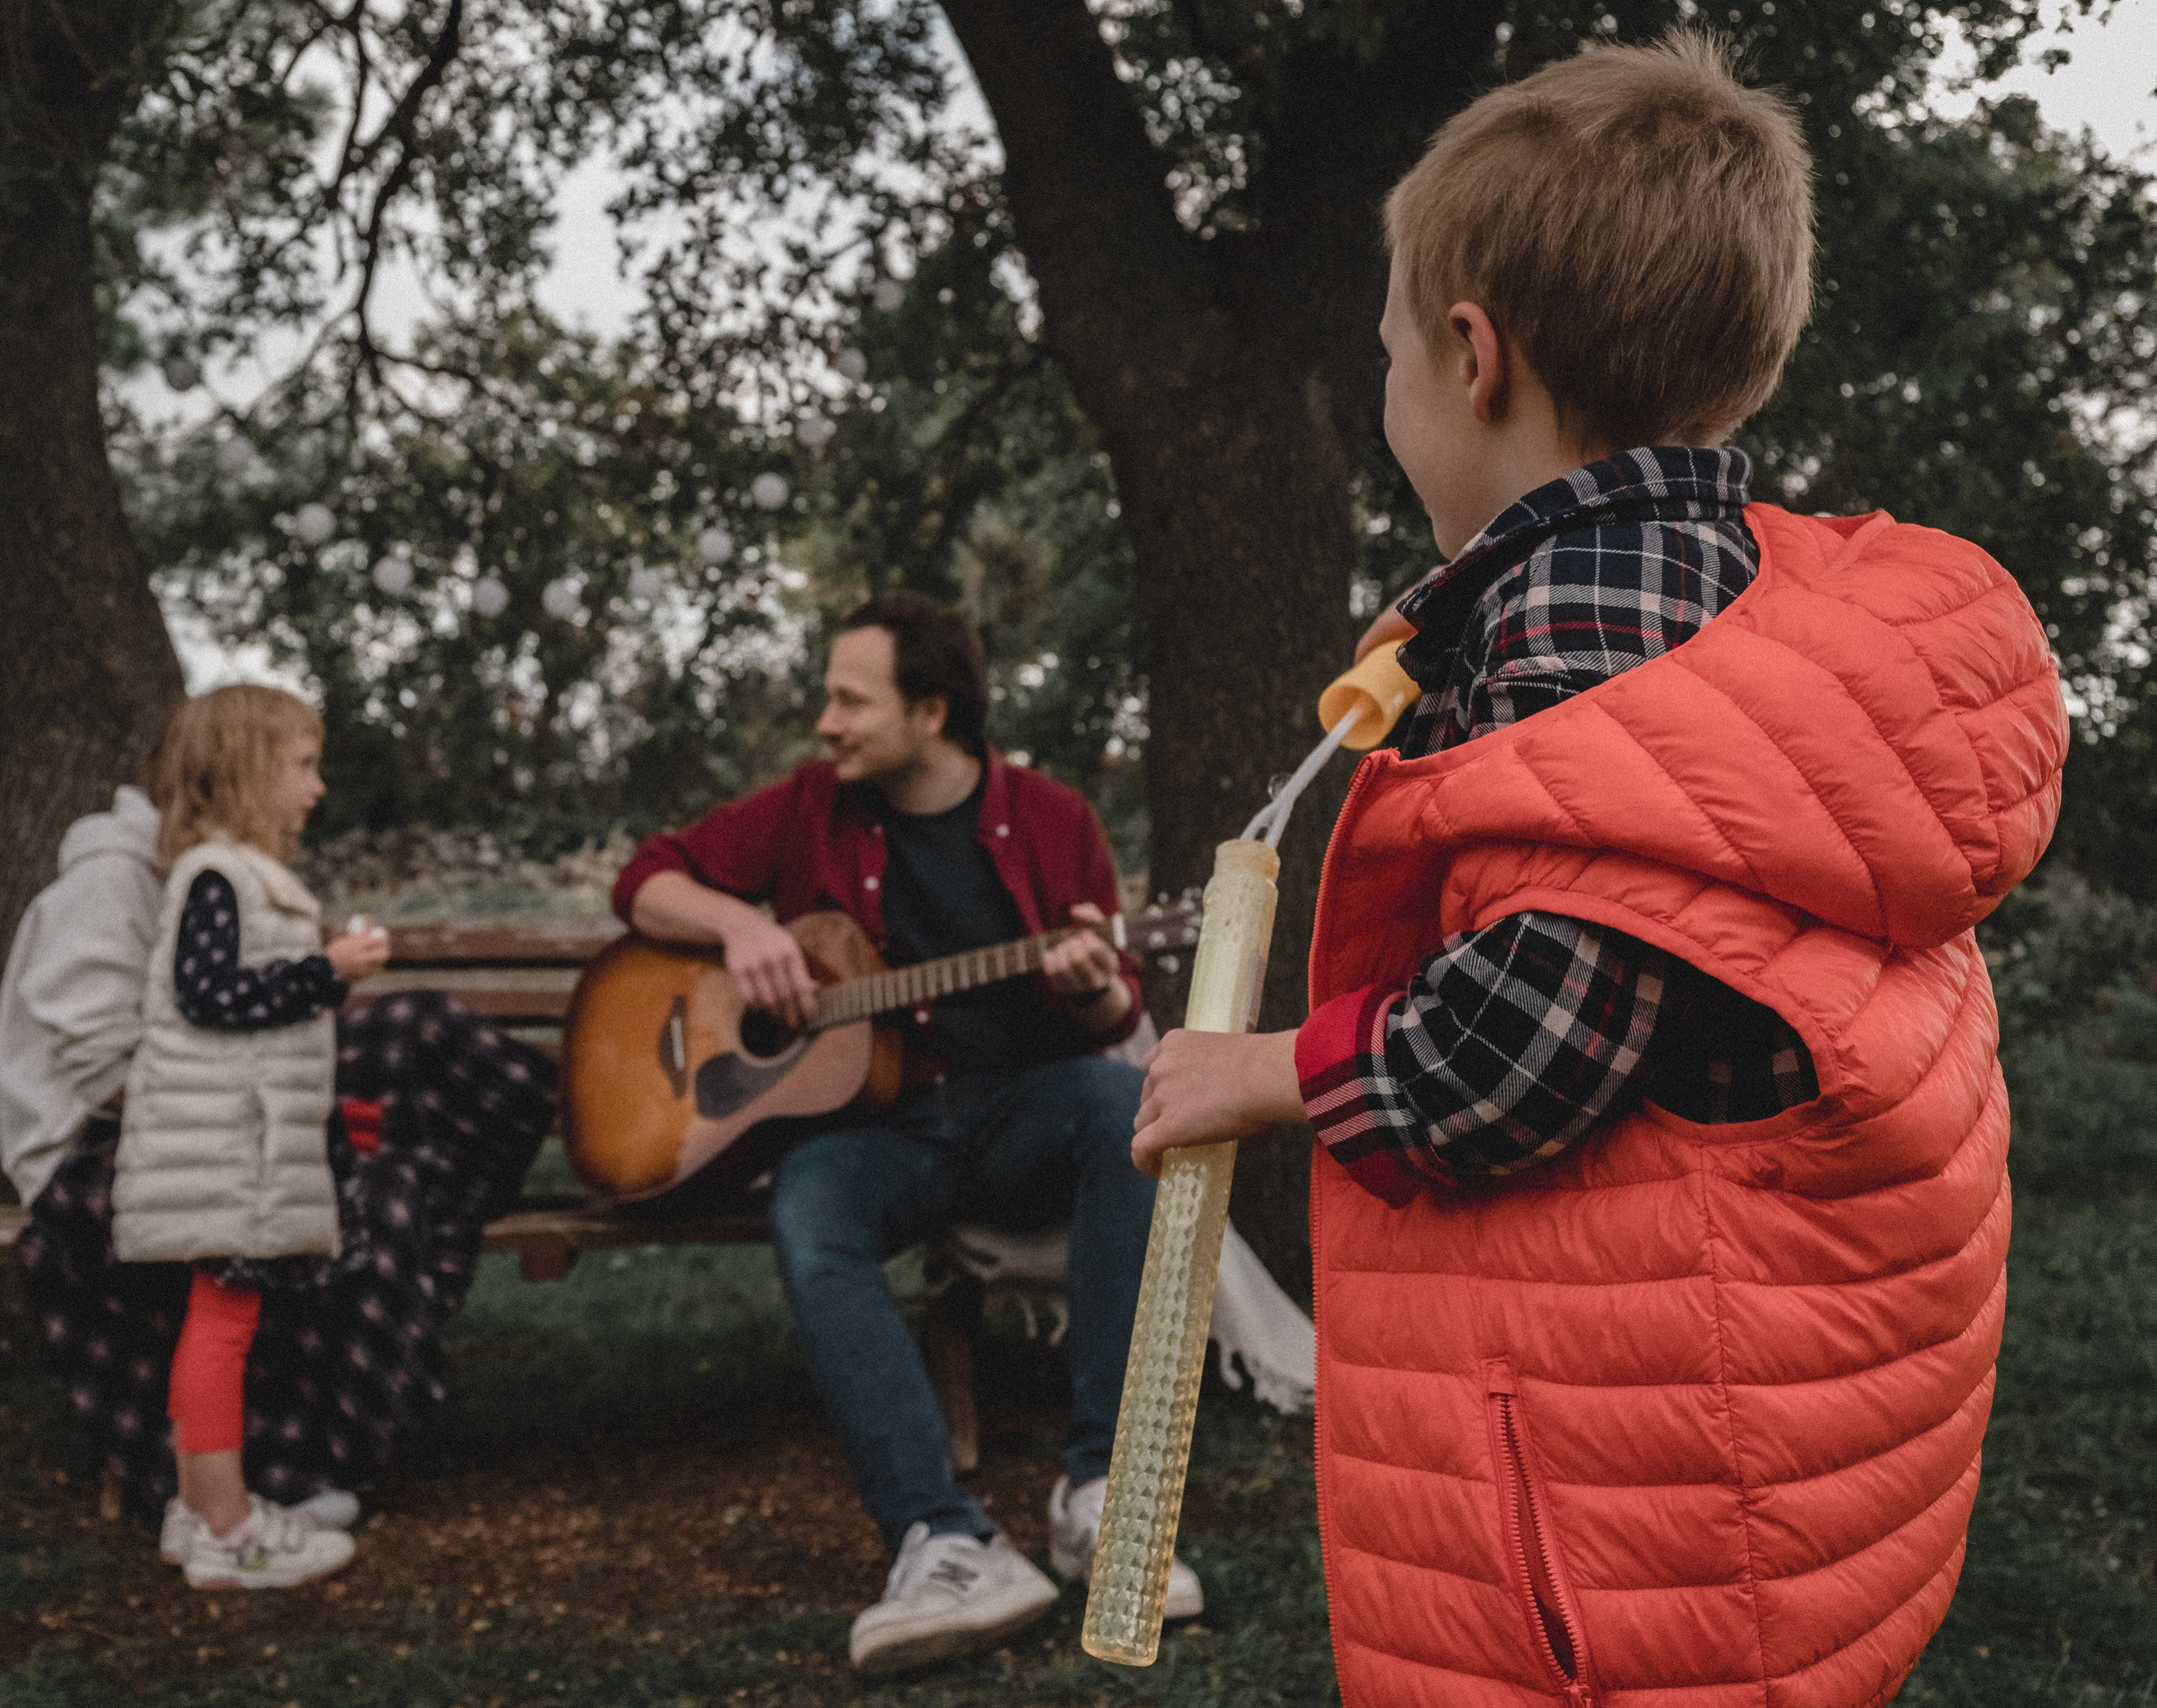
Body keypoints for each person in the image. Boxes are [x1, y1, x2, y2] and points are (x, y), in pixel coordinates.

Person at [1131, 33, 2066, 1708]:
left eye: (1389, 357)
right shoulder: (1741, 600)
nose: (1387, 395)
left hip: (1622, 1565)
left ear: (1474, 356)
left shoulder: (1586, 627)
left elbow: (1527, 1036)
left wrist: (1252, 1072)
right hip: (1735, 1477)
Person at [613, 589, 1200, 1674]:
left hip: (1015, 1112)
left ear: (931, 711)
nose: (825, 721)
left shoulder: (1054, 818)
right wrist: (740, 923)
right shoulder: (805, 807)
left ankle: (1103, 1495)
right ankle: (942, 1535)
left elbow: (1116, 1011)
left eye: (849, 699)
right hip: (876, 1132)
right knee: (807, 1208)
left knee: (1122, 1108)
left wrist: (1086, 991)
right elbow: (643, 878)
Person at [0, 689, 556, 1585]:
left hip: (216, 1123)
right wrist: (303, 1024)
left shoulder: (216, 869)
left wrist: (309, 1022)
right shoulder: (143, 878)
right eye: (300, 766)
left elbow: (222, 1009)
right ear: (248, 773)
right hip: (139, 1153)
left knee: (421, 1048)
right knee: (279, 1275)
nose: (319, 787)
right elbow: (152, 1043)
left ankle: (226, 1502)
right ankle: (247, 1505)